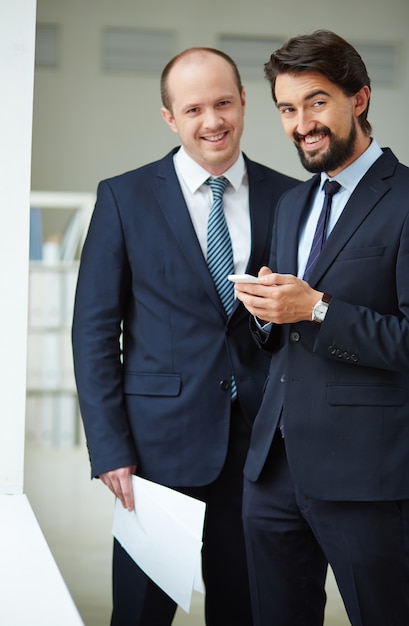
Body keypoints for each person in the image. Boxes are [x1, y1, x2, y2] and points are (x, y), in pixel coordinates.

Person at [72, 47, 298, 626]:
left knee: (246, 608)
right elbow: (94, 331)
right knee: (144, 614)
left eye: (224, 103)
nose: (213, 121)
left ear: (245, 101)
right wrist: (109, 447)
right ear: (170, 117)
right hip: (155, 454)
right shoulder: (124, 198)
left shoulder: (290, 198)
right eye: (194, 108)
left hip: (261, 453)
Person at [235, 30, 409, 626]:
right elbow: (290, 334)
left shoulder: (407, 200)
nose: (301, 123)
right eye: (287, 108)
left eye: (316, 102)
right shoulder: (292, 205)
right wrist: (268, 310)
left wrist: (316, 307)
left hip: (365, 476)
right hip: (273, 472)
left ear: (358, 99)